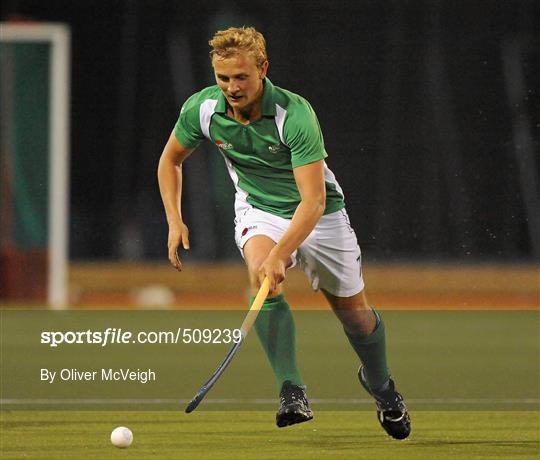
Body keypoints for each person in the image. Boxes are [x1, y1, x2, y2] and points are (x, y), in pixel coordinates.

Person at [158, 26, 410, 439]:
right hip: (259, 209)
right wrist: (174, 218)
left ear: (263, 69)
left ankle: (382, 388)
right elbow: (170, 160)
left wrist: (284, 252)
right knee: (262, 277)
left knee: (355, 317)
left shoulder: (293, 114)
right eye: (223, 78)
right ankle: (292, 391)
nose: (231, 88)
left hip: (321, 216)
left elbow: (312, 202)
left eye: (241, 77)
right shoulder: (202, 109)